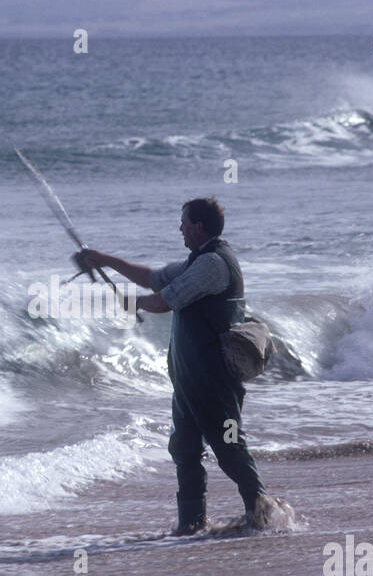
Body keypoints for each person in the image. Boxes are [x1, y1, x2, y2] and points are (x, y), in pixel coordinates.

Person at [81, 198, 289, 535]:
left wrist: (129, 303)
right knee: (185, 448)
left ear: (198, 226)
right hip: (190, 380)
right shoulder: (200, 260)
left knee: (230, 446)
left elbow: (167, 299)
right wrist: (103, 259)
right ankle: (191, 525)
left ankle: (265, 514)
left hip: (213, 378)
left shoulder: (213, 264)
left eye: (183, 222)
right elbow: (154, 278)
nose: (179, 228)